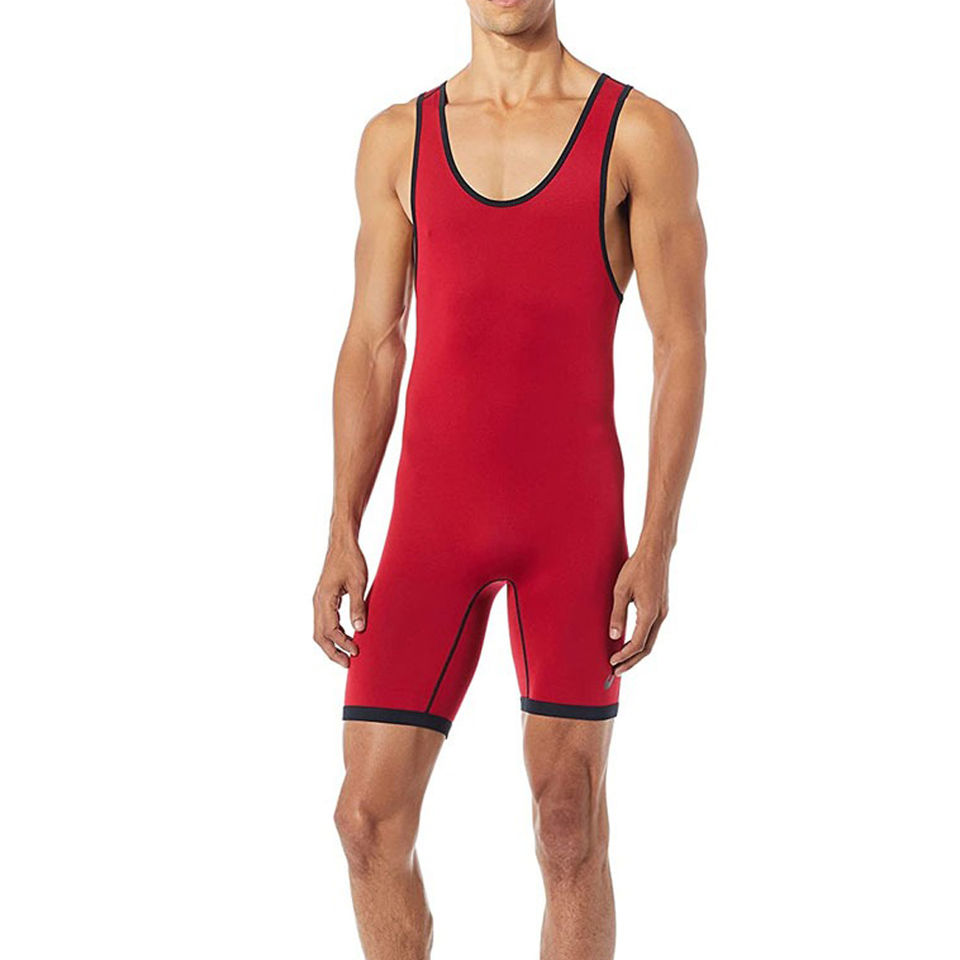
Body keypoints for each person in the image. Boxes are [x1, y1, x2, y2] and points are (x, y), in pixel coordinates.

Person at [313, 1, 706, 956]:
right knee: (366, 819)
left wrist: (657, 544)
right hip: (430, 526)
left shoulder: (638, 133)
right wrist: (341, 527)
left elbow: (680, 347)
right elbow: (374, 342)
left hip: (571, 526)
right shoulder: (398, 137)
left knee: (568, 823)